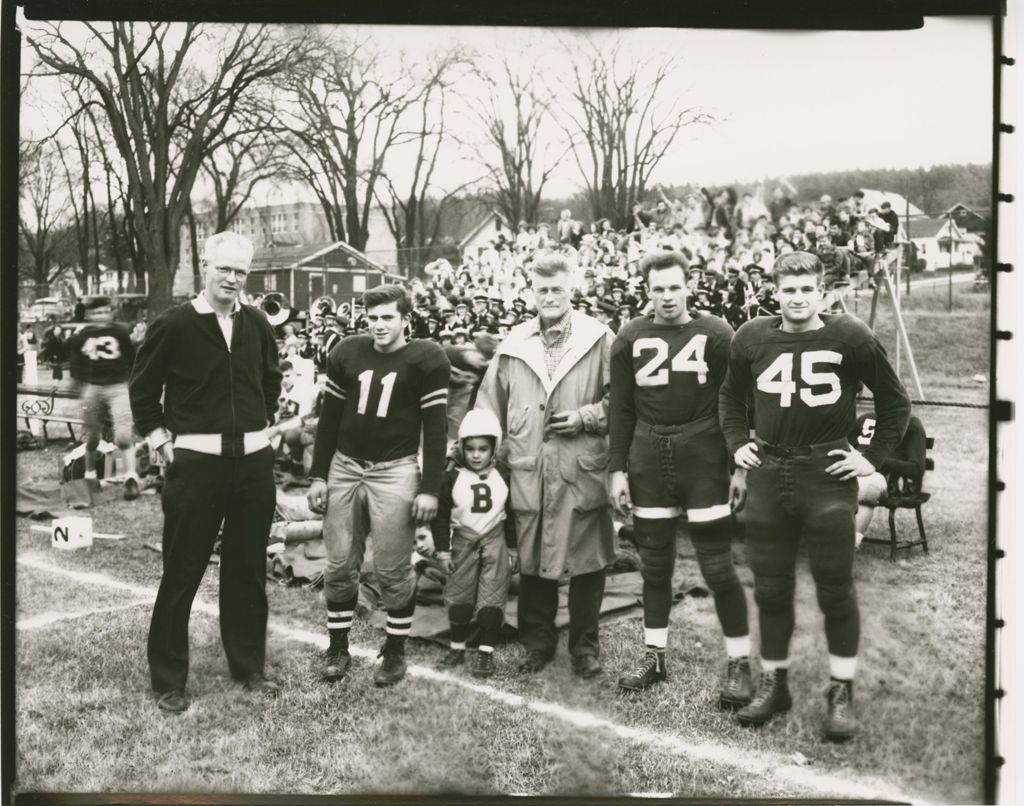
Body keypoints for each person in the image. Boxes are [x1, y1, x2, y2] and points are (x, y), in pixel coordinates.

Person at [719, 251, 911, 741]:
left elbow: (895, 401)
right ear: (774, 292)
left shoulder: (851, 336)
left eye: (807, 289)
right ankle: (775, 681)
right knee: (771, 586)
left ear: (823, 292)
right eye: (789, 289)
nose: (798, 298)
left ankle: (840, 689)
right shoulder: (751, 336)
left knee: (835, 586)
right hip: (768, 470)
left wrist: (870, 457)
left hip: (825, 472)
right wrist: (738, 442)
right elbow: (729, 396)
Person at [129, 231, 282, 715]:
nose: (232, 279)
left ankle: (249, 667)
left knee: (247, 569)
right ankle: (169, 679)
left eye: (241, 271)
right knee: (182, 571)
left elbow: (271, 381)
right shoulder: (174, 324)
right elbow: (142, 388)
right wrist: (159, 438)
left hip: (253, 464)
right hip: (195, 465)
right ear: (205, 266)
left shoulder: (258, 323)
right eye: (225, 269)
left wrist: (260, 424)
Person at [608, 251, 752, 705]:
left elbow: (737, 403)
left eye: (675, 287)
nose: (667, 297)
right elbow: (622, 410)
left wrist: (738, 463)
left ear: (689, 286)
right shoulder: (629, 336)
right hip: (649, 454)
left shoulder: (716, 333)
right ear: (646, 291)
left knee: (717, 565)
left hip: (703, 452)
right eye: (658, 288)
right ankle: (655, 655)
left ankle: (739, 660)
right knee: (654, 566)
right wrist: (616, 469)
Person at [475, 254, 615, 679]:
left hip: (581, 467)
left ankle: (584, 648)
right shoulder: (514, 344)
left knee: (587, 561)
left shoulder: (599, 338)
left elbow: (624, 401)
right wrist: (481, 460)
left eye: (557, 289)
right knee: (533, 558)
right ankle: (537, 643)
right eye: (542, 289)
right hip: (527, 467)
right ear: (530, 291)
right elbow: (487, 407)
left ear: (572, 288)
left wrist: (586, 417)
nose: (550, 297)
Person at [306, 283, 451, 688]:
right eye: (371, 318)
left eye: (387, 317)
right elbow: (329, 419)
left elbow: (436, 431)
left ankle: (395, 650)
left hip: (396, 469)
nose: (379, 325)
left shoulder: (426, 357)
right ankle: (338, 647)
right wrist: (319, 474)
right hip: (346, 465)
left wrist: (430, 487)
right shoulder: (348, 352)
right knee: (338, 565)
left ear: (406, 318)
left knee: (391, 569)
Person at [432, 409, 518, 679]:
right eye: (470, 449)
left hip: (495, 539)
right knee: (459, 597)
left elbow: (512, 514)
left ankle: (485, 651)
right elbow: (440, 516)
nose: (477, 454)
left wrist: (513, 548)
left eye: (483, 448)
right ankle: (457, 647)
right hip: (463, 540)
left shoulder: (503, 473)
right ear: (461, 447)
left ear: (494, 446)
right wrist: (442, 550)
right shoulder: (451, 476)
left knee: (493, 598)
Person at [67, 301, 141, 500]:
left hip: (118, 387)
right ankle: (90, 475)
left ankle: (131, 478)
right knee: (92, 438)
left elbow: (131, 357)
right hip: (93, 387)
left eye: (104, 312)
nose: (100, 316)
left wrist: (132, 380)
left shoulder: (121, 332)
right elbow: (76, 363)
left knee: (124, 436)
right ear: (89, 315)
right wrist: (79, 382)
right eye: (96, 312)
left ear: (111, 313)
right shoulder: (82, 335)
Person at [850, 411, 928, 547]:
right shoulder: (865, 418)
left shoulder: (912, 423)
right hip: (852, 471)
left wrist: (875, 460)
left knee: (867, 489)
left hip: (879, 477)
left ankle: (849, 546)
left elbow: (916, 469)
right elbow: (847, 447)